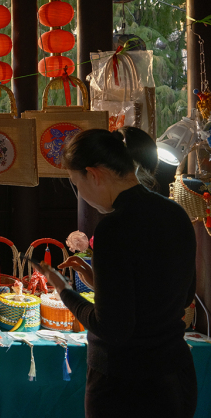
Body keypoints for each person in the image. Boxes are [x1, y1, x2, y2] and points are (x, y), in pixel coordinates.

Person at [37, 127, 197, 418]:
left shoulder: (114, 228)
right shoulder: (176, 213)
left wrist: (64, 290)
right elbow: (181, 295)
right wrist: (99, 281)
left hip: (127, 386)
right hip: (175, 377)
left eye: (76, 183)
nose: (81, 194)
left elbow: (113, 327)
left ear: (94, 174)